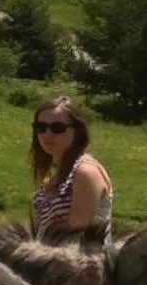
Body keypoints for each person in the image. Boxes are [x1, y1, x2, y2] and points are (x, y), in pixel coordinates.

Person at [29, 97, 114, 238]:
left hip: (83, 257)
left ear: (77, 131)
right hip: (49, 254)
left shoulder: (85, 172)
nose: (48, 135)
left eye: (58, 128)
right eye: (41, 128)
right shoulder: (54, 175)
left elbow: (78, 228)